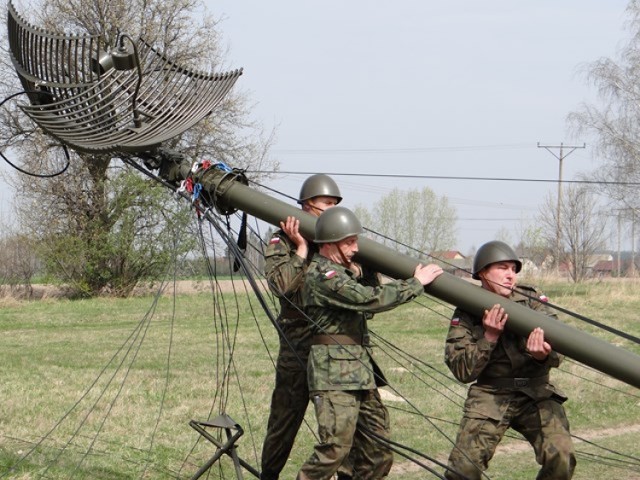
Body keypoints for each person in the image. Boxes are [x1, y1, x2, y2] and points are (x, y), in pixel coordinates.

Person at [297, 206, 443, 480]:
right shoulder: (321, 275)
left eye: (356, 241)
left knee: (378, 453)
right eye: (349, 242)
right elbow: (368, 299)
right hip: (333, 377)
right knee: (334, 451)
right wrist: (415, 283)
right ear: (329, 243)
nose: (355, 248)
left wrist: (359, 271)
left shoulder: (342, 273)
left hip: (360, 373)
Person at [443, 240, 576, 480]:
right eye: (502, 268)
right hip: (491, 393)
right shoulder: (467, 309)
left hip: (535, 392)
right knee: (463, 469)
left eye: (513, 269)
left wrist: (542, 356)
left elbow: (561, 347)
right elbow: (462, 370)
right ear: (483, 272)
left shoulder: (532, 300)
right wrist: (489, 337)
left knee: (561, 458)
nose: (510, 276)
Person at [261, 174, 345, 480]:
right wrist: (300, 248)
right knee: (285, 418)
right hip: (297, 342)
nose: (332, 208)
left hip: (335, 342)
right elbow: (281, 285)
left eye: (336, 204)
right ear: (308, 205)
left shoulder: (338, 240)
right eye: (326, 203)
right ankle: (268, 475)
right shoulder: (281, 240)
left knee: (341, 421)